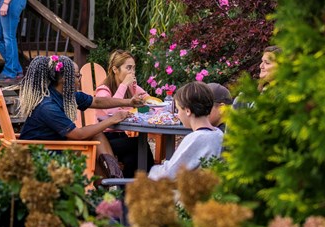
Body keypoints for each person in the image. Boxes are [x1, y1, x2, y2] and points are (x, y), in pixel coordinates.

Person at [18, 55, 147, 177]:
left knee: (96, 140)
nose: (80, 79)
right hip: (42, 154)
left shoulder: (66, 95)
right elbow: (79, 135)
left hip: (55, 145)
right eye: (77, 76)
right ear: (64, 78)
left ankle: (112, 180)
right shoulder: (47, 106)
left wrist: (129, 102)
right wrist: (113, 119)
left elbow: (97, 101)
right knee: (95, 143)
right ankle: (114, 180)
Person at [94, 49, 154, 176]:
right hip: (106, 140)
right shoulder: (104, 90)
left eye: (133, 68)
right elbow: (111, 111)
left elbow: (150, 101)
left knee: (131, 159)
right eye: (128, 68)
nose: (132, 72)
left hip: (123, 136)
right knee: (140, 143)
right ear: (115, 69)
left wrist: (146, 100)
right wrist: (125, 85)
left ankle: (126, 194)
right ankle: (152, 181)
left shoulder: (132, 88)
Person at [148, 81, 224, 180]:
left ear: (188, 111)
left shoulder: (197, 138)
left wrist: (152, 172)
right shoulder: (218, 134)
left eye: (178, 110)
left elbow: (169, 174)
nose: (178, 115)